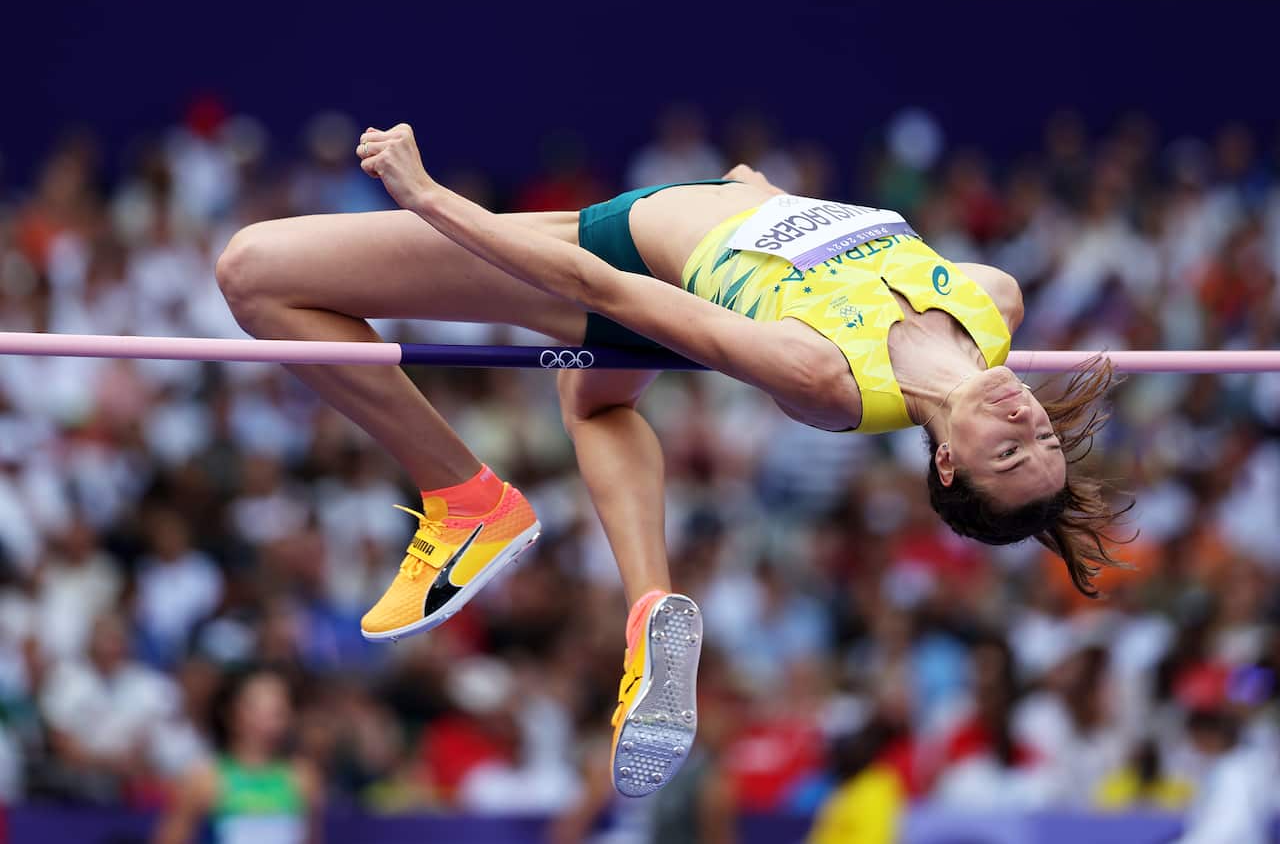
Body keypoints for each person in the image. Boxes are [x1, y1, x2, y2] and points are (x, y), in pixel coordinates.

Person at [214, 122, 1130, 797]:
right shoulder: (993, 302)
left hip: (612, 258)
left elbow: (602, 287)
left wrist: (432, 200)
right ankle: (650, 600)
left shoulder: (824, 376)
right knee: (595, 403)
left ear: (945, 466)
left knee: (254, 270)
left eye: (1006, 451)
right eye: (1039, 436)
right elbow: (828, 250)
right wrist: (757, 197)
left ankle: (465, 496)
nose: (1023, 417)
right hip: (670, 225)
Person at [152, 669, 322, 844]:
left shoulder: (302, 777)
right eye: (257, 708)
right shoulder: (204, 778)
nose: (268, 718)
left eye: (277, 709)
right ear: (230, 712)